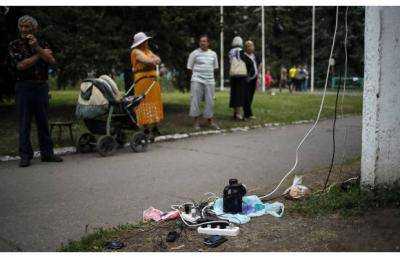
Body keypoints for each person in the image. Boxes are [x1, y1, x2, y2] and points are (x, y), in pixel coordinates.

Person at [8, 15, 63, 167]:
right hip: (24, 87)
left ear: (34, 28)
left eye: (27, 27)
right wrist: (40, 53)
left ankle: (47, 154)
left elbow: (52, 61)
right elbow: (21, 65)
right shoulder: (14, 45)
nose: (24, 29)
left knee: (43, 122)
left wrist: (37, 47)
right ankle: (25, 156)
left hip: (41, 87)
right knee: (24, 123)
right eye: (22, 26)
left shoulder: (42, 43)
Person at [130, 32, 164, 137]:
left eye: (146, 41)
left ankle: (154, 127)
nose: (146, 42)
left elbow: (158, 59)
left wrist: (154, 60)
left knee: (155, 103)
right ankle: (145, 129)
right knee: (143, 103)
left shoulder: (147, 51)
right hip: (142, 81)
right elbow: (148, 61)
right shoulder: (135, 52)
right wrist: (154, 61)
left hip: (152, 82)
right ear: (140, 43)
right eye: (144, 41)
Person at [187, 34, 220, 130]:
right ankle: (196, 122)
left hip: (210, 80)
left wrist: (210, 77)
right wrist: (195, 77)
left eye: (204, 41)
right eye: (201, 41)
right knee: (195, 100)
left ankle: (209, 121)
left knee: (210, 101)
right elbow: (189, 68)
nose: (202, 43)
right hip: (197, 79)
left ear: (208, 43)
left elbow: (215, 68)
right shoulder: (194, 53)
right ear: (199, 42)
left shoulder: (213, 54)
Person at [228, 36, 247, 120]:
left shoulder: (230, 52)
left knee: (234, 93)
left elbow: (230, 61)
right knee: (240, 93)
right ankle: (239, 114)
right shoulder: (242, 52)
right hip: (241, 75)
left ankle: (234, 112)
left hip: (233, 74)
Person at [242, 40, 260, 120]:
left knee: (251, 96)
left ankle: (248, 114)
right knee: (246, 97)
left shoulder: (254, 55)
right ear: (245, 48)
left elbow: (257, 64)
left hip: (254, 78)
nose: (251, 47)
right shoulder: (243, 56)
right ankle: (247, 114)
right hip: (247, 79)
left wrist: (258, 71)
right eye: (248, 46)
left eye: (252, 45)